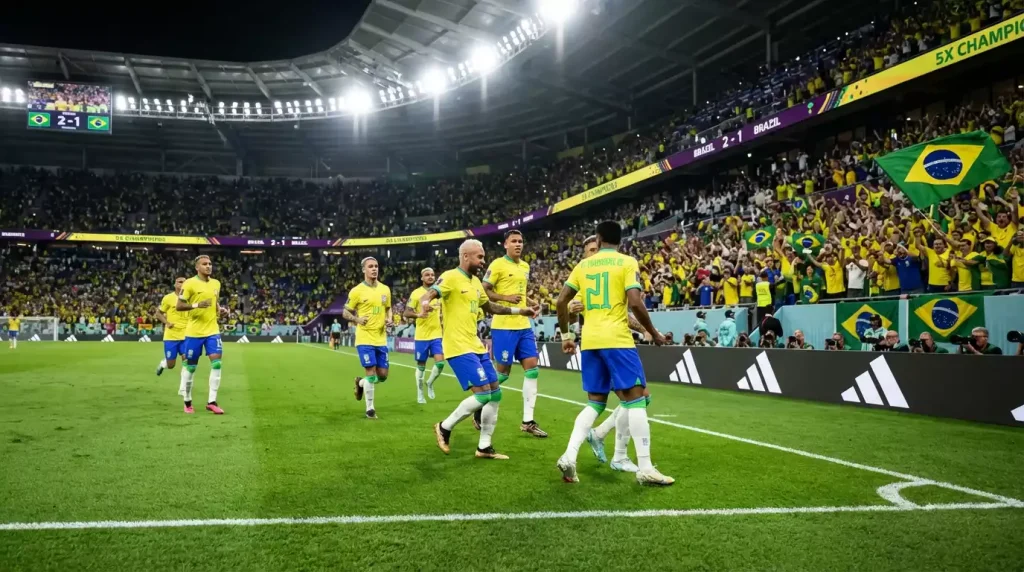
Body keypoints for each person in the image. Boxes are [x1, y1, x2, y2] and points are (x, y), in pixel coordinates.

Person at [554, 220, 673, 486]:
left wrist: (566, 337)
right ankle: (644, 467)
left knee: (595, 403)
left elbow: (561, 301)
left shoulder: (583, 266)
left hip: (590, 341)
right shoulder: (626, 262)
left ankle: (570, 455)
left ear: (599, 237)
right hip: (617, 339)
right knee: (638, 399)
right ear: (621, 239)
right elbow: (634, 301)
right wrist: (652, 332)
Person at [423, 239, 537, 460]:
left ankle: (484, 447)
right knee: (483, 394)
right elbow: (433, 292)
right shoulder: (451, 276)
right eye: (480, 257)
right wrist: (426, 301)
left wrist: (519, 311)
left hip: (475, 344)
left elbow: (490, 306)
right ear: (466, 256)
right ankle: (444, 427)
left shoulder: (475, 282)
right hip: (457, 346)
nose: (483, 261)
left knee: (495, 392)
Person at [482, 230, 546, 437]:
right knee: (502, 375)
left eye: (521, 241)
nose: (518, 244)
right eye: (514, 241)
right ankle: (478, 400)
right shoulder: (497, 265)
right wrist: (505, 297)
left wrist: (531, 302)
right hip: (503, 325)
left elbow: (522, 293)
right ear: (505, 244)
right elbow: (484, 291)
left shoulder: (525, 266)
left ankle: (528, 421)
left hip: (524, 325)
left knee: (533, 370)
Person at [176, 255, 230, 415]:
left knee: (217, 364)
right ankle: (187, 401)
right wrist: (196, 305)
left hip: (212, 331)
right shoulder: (190, 283)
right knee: (191, 368)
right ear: (197, 267)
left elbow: (215, 303)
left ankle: (212, 401)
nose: (208, 266)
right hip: (194, 333)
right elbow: (179, 306)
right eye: (204, 264)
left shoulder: (216, 283)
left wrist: (221, 311)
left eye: (210, 264)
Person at [343, 257, 393, 420]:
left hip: (381, 338)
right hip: (364, 338)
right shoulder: (357, 291)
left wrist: (389, 319)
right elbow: (345, 312)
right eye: (370, 266)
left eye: (376, 266)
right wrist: (357, 320)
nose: (374, 269)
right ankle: (370, 409)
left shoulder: (385, 289)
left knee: (383, 376)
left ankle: (361, 383)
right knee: (370, 372)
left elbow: (388, 308)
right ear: (363, 270)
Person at [405, 268, 445, 404]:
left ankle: (430, 382)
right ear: (421, 278)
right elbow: (406, 312)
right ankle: (420, 393)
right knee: (421, 366)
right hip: (422, 336)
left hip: (436, 334)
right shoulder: (416, 293)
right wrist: (419, 314)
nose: (430, 277)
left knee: (440, 363)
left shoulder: (439, 293)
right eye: (427, 275)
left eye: (433, 274)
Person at [155, 276, 189, 377]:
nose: (182, 284)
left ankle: (184, 387)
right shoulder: (168, 298)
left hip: (186, 335)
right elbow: (158, 313)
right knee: (171, 365)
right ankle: (164, 363)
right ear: (175, 284)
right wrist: (167, 322)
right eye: (179, 282)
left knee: (186, 360)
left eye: (184, 282)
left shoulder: (191, 298)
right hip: (171, 335)